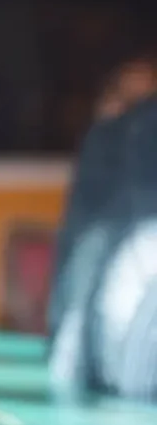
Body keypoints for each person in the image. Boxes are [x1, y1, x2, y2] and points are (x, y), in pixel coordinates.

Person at [48, 59, 157, 401]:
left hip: (98, 374)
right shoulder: (121, 142)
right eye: (124, 101)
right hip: (110, 378)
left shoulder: (112, 140)